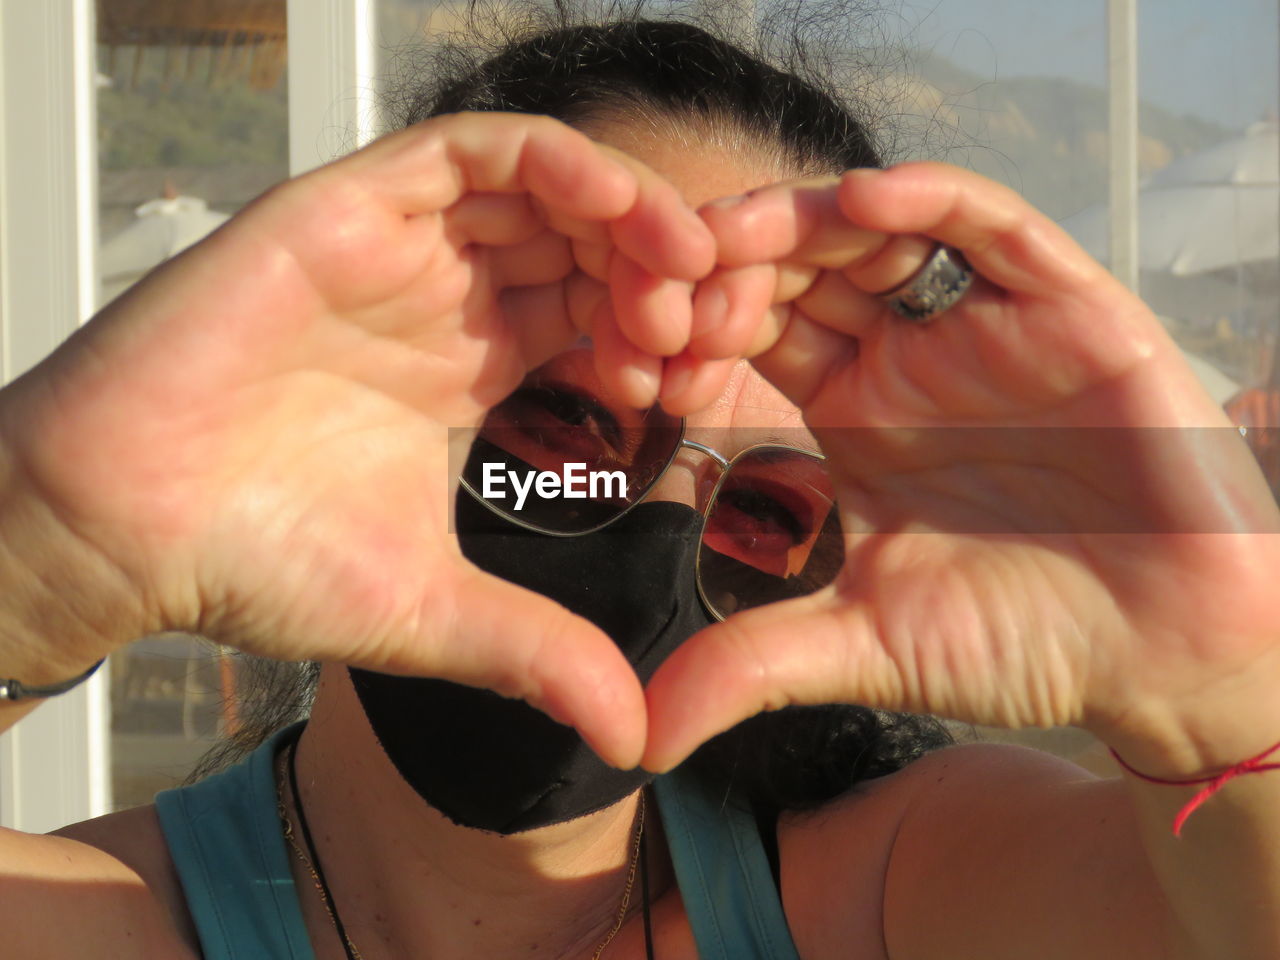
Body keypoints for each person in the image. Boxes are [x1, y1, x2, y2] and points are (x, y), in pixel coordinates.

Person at [3, 6, 1279, 959]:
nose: (654, 539)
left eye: (770, 508)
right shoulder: (101, 922)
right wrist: (33, 554)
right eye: (566, 422)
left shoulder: (886, 891)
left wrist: (1230, 685)